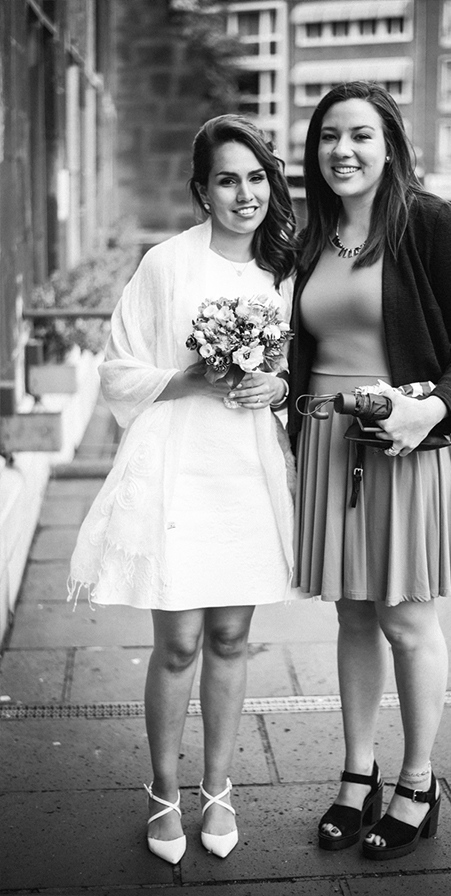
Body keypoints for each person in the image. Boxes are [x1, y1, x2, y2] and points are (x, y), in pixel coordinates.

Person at [68, 115, 298, 864]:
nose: (245, 194)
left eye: (256, 177)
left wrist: (278, 382)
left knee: (232, 638)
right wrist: (183, 377)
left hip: (246, 467)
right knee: (179, 645)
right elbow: (117, 364)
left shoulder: (283, 269)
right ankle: (164, 792)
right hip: (180, 464)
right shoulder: (166, 264)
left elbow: (304, 369)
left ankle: (219, 787)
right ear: (202, 191)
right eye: (227, 180)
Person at [285, 81, 451, 861]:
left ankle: (418, 781)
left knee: (407, 619)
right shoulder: (311, 237)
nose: (343, 149)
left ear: (390, 146)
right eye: (329, 135)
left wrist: (431, 411)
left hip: (408, 444)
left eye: (361, 135)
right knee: (351, 615)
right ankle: (356, 774)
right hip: (328, 448)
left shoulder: (431, 224)